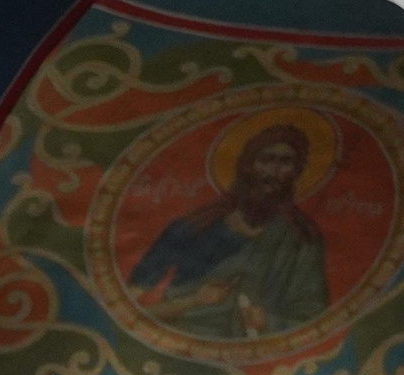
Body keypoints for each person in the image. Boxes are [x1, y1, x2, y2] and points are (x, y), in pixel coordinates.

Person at [125, 120, 329, 341]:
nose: (274, 172)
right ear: (247, 166)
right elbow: (130, 312)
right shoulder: (192, 227)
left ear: (297, 171)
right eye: (266, 160)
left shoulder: (301, 239)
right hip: (185, 344)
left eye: (286, 162)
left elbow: (312, 317)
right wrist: (193, 301)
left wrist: (268, 322)